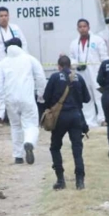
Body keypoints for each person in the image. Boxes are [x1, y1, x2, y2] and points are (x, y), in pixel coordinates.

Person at [0, 38, 46, 165]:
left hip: (10, 100)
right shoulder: (30, 59)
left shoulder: (3, 63)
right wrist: (41, 95)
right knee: (31, 125)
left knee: (15, 126)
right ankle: (29, 142)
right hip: (27, 99)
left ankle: (18, 156)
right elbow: (41, 78)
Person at [43, 56, 91, 190]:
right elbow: (87, 99)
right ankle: (80, 181)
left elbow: (46, 97)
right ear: (70, 66)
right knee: (77, 149)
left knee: (55, 147)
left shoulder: (54, 77)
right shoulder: (79, 77)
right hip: (76, 117)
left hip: (59, 118)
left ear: (59, 66)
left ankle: (60, 180)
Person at [0, 7, 29, 124]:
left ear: (9, 16)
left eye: (6, 15)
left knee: (15, 90)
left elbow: (23, 44)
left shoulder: (15, 29)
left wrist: (24, 60)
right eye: (1, 16)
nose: (4, 18)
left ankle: (15, 115)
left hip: (14, 65)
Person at [68, 19, 108, 128]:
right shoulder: (74, 43)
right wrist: (76, 64)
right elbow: (71, 58)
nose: (82, 29)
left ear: (88, 27)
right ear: (77, 29)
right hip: (82, 73)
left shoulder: (97, 40)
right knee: (86, 96)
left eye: (84, 26)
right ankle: (90, 121)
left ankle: (103, 118)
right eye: (80, 27)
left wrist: (105, 73)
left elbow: (104, 57)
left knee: (100, 95)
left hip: (96, 73)